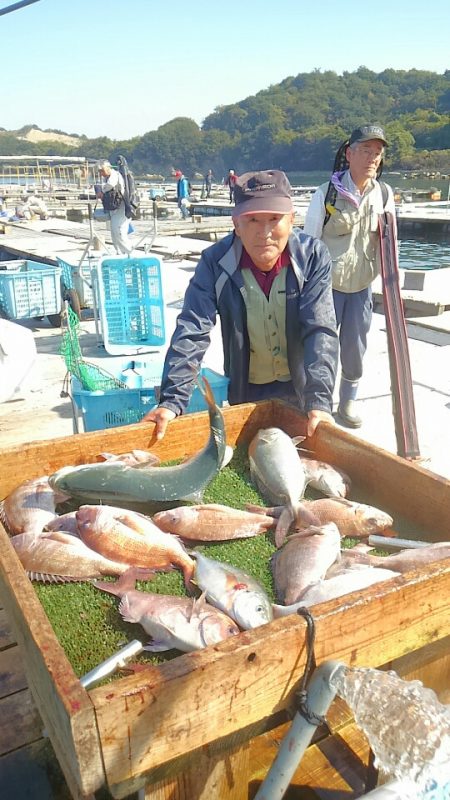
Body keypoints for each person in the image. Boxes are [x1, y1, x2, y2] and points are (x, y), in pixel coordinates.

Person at [143, 169, 338, 441]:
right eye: (253, 220)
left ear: (292, 220)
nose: (265, 232)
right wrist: (172, 400)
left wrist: (319, 401)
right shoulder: (215, 262)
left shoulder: (313, 257)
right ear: (236, 223)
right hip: (246, 389)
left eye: (274, 219)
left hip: (302, 389)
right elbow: (192, 329)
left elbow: (321, 329)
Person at [303, 125, 396, 428]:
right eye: (366, 150)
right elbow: (308, 243)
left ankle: (348, 401)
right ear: (349, 153)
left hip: (362, 287)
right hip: (327, 287)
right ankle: (318, 403)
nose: (372, 158)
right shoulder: (325, 193)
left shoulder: (383, 194)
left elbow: (388, 242)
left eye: (377, 152)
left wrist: (394, 284)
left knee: (356, 347)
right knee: (321, 346)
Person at [95, 159, 133, 255]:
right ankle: (119, 252)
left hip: (121, 206)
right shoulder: (107, 178)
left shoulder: (114, 175)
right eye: (100, 171)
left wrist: (102, 192)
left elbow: (111, 185)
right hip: (114, 208)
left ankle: (129, 253)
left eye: (102, 170)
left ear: (108, 168)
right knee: (113, 231)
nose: (101, 173)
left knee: (119, 231)